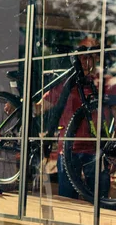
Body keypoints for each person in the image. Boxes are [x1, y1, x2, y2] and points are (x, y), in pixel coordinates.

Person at [35, 37, 113, 199]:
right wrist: (18, 103)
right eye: (81, 55)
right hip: (69, 151)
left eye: (90, 55)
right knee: (68, 201)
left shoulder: (103, 83)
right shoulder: (65, 84)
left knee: (101, 202)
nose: (85, 59)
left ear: (96, 58)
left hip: (97, 151)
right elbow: (39, 108)